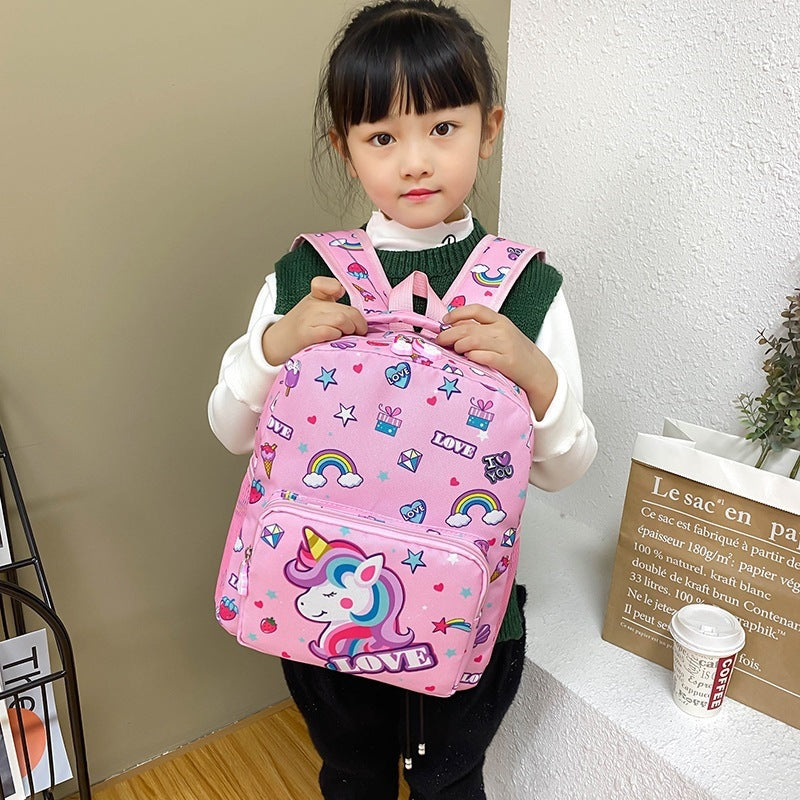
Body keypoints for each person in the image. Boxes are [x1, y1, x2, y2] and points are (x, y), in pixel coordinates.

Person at [208, 2, 597, 798]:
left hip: (465, 621)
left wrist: (534, 374)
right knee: (350, 773)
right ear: (344, 150)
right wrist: (276, 345)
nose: (415, 162)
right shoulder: (302, 279)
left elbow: (563, 469)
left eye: (443, 129)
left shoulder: (528, 291)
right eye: (382, 137)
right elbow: (230, 430)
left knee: (452, 785)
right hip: (322, 609)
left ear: (488, 129)